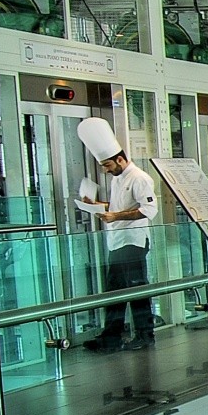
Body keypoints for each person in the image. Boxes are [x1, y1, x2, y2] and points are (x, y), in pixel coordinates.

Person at [76, 117, 158, 353]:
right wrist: (96, 205)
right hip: (117, 242)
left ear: (120, 159)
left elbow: (149, 210)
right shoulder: (118, 178)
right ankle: (111, 336)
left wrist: (116, 217)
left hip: (133, 242)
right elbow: (116, 206)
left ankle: (145, 334)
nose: (106, 170)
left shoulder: (140, 178)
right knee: (114, 292)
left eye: (108, 166)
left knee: (136, 290)